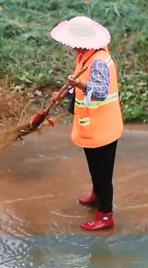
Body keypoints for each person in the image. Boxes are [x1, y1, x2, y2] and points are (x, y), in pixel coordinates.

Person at [49, 16, 124, 231]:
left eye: (74, 42)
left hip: (103, 127)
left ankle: (105, 214)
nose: (72, 46)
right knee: (94, 165)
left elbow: (99, 92)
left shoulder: (99, 60)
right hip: (91, 125)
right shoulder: (86, 56)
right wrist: (67, 91)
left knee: (103, 172)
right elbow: (80, 82)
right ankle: (96, 194)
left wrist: (79, 84)